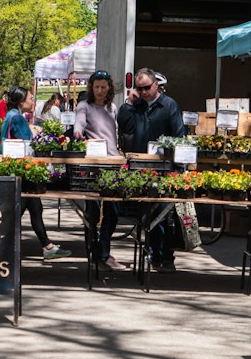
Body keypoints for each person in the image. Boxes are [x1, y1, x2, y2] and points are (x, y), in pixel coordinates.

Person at [117, 68, 186, 273]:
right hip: (141, 167)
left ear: (156, 85)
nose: (144, 91)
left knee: (164, 214)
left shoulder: (169, 105)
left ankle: (165, 256)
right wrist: (129, 102)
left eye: (147, 87)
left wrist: (179, 167)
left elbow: (179, 135)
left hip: (164, 167)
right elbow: (124, 125)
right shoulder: (135, 106)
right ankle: (151, 253)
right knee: (146, 214)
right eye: (140, 88)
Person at [1, 85, 71, 261]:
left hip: (18, 167)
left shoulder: (12, 116)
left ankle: (47, 246)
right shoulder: (17, 118)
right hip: (22, 169)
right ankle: (2, 247)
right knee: (20, 210)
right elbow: (29, 142)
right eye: (31, 98)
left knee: (35, 208)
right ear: (21, 101)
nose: (33, 101)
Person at [74, 71, 124, 272]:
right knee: (92, 211)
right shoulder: (84, 106)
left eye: (104, 87)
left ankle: (104, 249)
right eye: (97, 87)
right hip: (93, 164)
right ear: (91, 88)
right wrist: (78, 131)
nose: (101, 91)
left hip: (113, 162)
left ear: (109, 88)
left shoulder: (112, 108)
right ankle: (93, 252)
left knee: (112, 210)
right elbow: (79, 121)